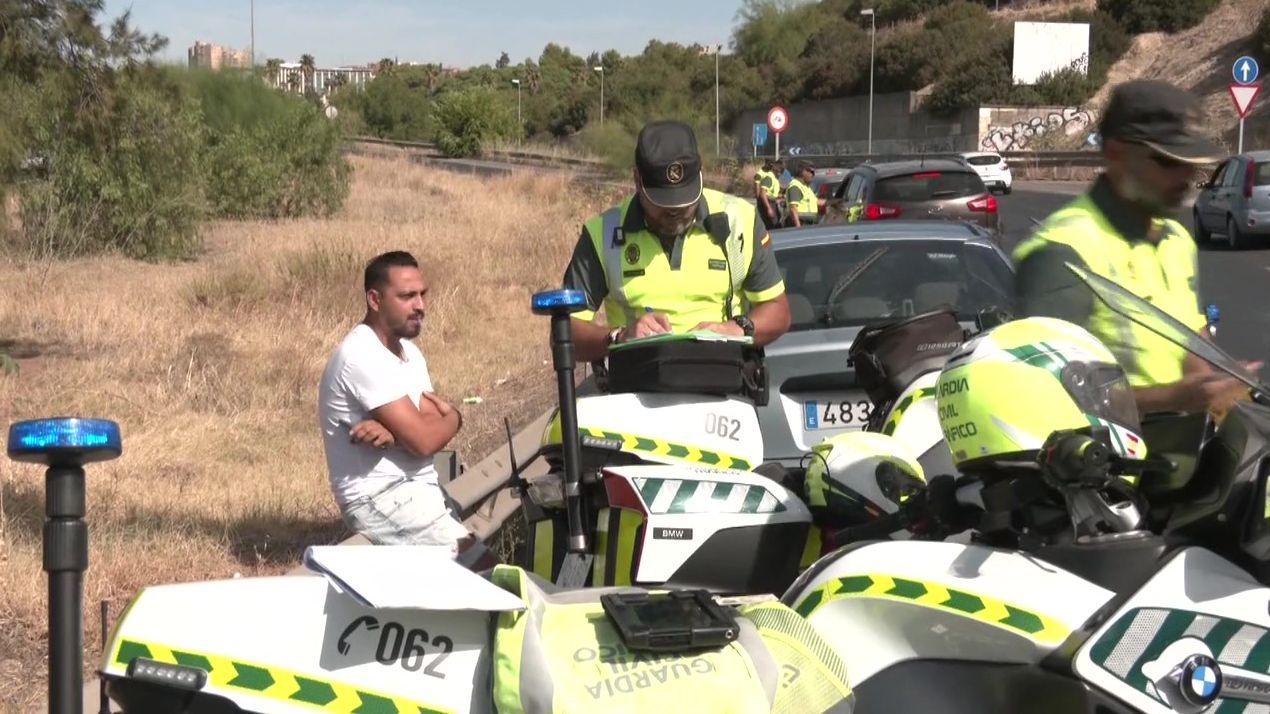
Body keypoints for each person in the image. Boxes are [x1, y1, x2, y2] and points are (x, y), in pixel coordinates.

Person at [1012, 79, 1257, 416]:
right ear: (1116, 154)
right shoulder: (1062, 251)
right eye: (1167, 161)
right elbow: (1045, 393)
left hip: (1187, 456)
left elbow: (1193, 350)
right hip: (1110, 463)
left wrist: (1219, 387)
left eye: (1190, 161)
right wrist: (1173, 399)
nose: (1186, 176)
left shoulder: (1176, 239)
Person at [317, 250, 497, 569]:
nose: (420, 306)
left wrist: (398, 432)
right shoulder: (361, 355)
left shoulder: (409, 353)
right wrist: (453, 417)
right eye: (407, 296)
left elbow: (427, 422)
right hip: (381, 495)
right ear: (375, 299)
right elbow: (427, 439)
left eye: (422, 294)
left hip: (419, 489)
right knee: (484, 571)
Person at [562, 120, 791, 364]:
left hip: (723, 383)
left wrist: (737, 329)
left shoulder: (739, 221)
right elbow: (566, 332)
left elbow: (779, 311)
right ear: (637, 180)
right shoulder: (603, 233)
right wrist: (620, 338)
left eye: (685, 200)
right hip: (634, 386)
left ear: (700, 176)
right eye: (662, 202)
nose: (675, 212)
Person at [784, 160, 819, 227]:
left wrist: (832, 202)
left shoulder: (806, 187)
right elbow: (793, 208)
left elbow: (816, 202)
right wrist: (798, 227)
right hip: (801, 222)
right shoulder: (795, 186)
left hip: (808, 223)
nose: (813, 175)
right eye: (811, 172)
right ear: (803, 172)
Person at [754, 158, 783, 230]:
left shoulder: (773, 177)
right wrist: (767, 208)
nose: (771, 165)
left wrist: (781, 196)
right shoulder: (762, 175)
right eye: (769, 164)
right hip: (767, 202)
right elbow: (760, 192)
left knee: (776, 223)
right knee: (771, 226)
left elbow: (771, 192)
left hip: (771, 202)